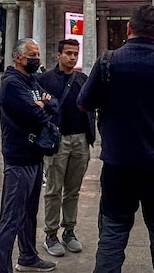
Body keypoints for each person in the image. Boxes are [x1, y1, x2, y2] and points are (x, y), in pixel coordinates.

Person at [78, 4, 154, 273]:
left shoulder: (108, 61)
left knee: (112, 233)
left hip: (118, 163)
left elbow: (83, 103)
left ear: (129, 29)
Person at [0, 38, 59, 273]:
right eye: (32, 55)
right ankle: (2, 269)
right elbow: (35, 114)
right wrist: (41, 106)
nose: (37, 59)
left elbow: (54, 103)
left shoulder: (30, 81)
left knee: (29, 212)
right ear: (18, 57)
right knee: (11, 216)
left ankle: (28, 256)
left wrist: (44, 104)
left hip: (34, 156)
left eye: (38, 54)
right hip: (18, 157)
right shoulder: (12, 83)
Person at [38, 39, 95, 258]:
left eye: (75, 53)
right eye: (68, 53)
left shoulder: (82, 79)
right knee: (53, 189)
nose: (72, 57)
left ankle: (69, 231)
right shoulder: (44, 80)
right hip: (57, 140)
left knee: (73, 189)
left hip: (81, 139)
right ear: (58, 54)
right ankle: (51, 233)